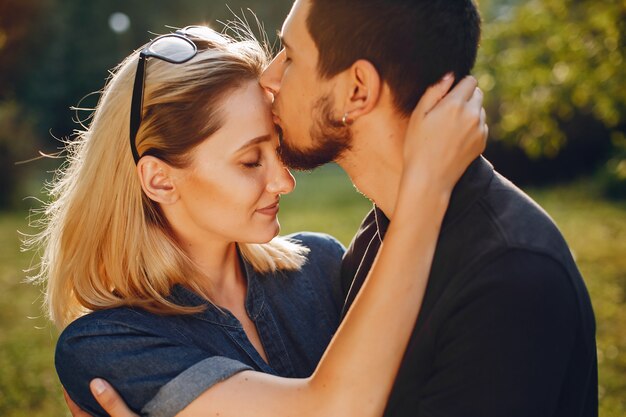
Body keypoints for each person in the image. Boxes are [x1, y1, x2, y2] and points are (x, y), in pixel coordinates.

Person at [75, 0, 598, 415]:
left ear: (356, 90)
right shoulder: (371, 246)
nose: (271, 77)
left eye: (292, 56)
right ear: (158, 179)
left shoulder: (509, 275)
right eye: (248, 160)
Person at [36, 23, 487, 417]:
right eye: (251, 160)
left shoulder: (322, 266)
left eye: (277, 148)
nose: (284, 182)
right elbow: (331, 409)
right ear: (160, 180)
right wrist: (425, 190)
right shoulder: (107, 346)